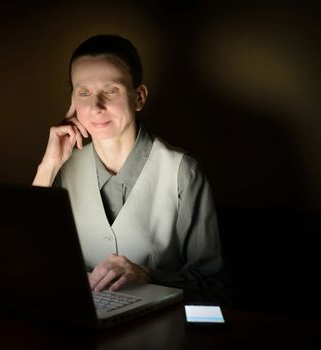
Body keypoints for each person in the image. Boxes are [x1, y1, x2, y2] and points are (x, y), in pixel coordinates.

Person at [32, 34, 228, 304]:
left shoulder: (183, 172)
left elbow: (213, 287)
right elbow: (27, 259)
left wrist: (149, 276)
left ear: (139, 97)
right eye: (83, 92)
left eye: (111, 90)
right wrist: (49, 165)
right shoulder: (63, 169)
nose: (96, 106)